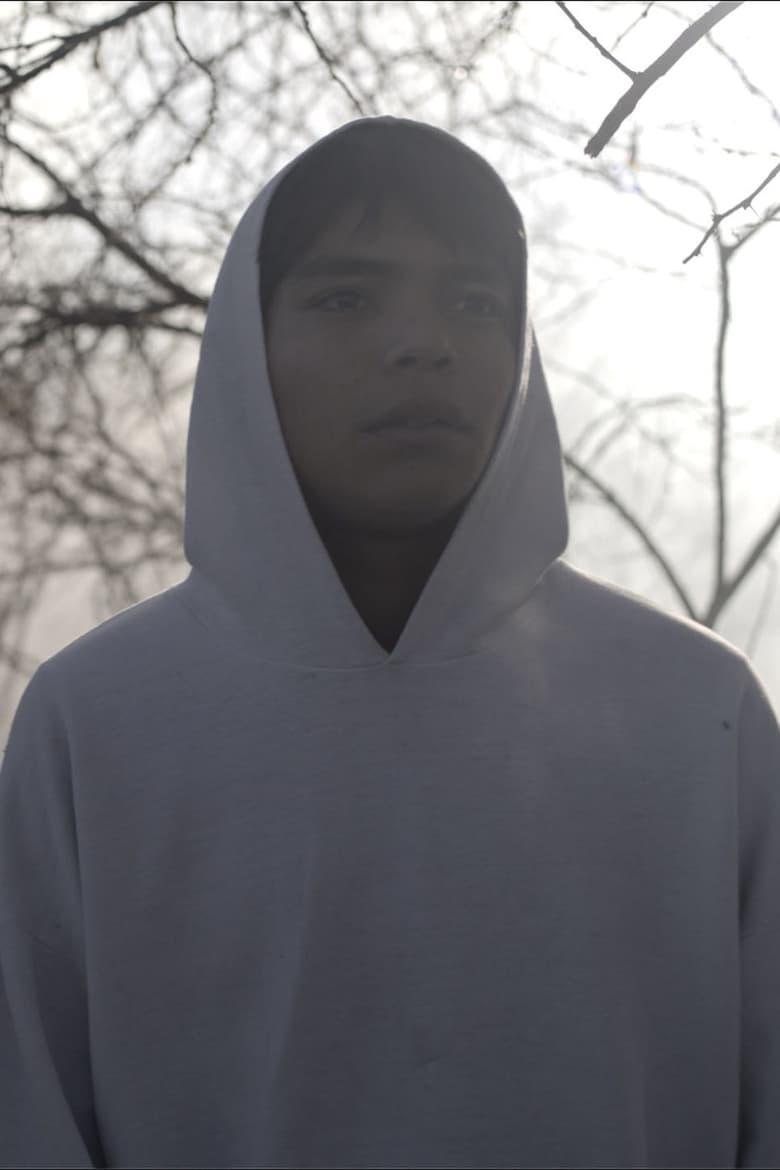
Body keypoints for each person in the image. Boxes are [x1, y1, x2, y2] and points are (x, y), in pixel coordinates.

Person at [1, 117, 778, 1170]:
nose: (423, 342)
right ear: (247, 349)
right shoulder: (98, 725)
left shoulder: (695, 714)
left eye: (474, 302)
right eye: (346, 298)